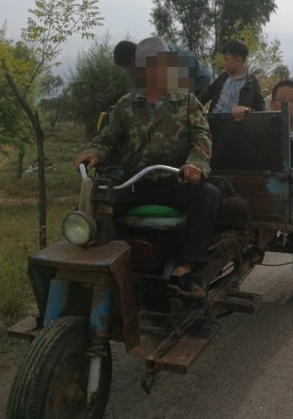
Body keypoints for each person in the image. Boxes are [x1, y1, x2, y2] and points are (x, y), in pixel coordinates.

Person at [75, 37, 221, 299]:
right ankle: (99, 263)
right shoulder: (125, 105)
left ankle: (186, 268)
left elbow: (202, 137)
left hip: (176, 181)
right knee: (97, 201)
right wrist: (94, 153)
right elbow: (108, 139)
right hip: (135, 184)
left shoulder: (187, 101)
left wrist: (194, 164)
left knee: (208, 195)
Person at [113, 39, 212, 96]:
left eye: (127, 67)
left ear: (132, 59)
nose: (127, 70)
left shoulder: (159, 53)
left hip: (199, 79)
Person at [198, 39, 265, 120]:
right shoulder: (223, 77)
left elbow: (260, 108)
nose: (224, 63)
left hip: (235, 127)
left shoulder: (251, 82)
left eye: (226, 59)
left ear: (238, 61)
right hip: (213, 122)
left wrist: (246, 110)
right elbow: (205, 95)